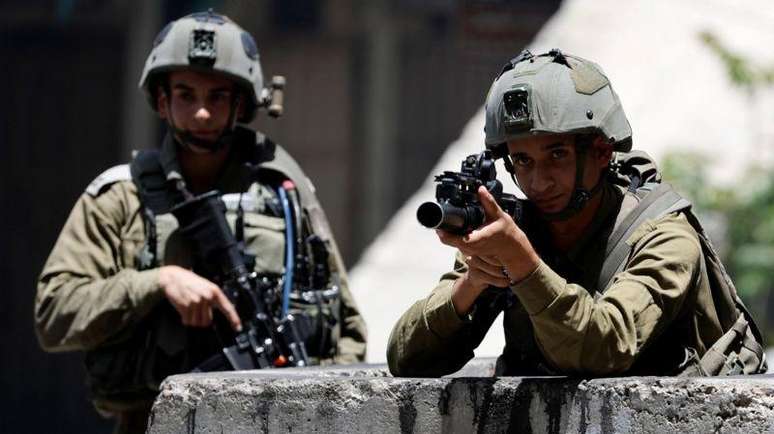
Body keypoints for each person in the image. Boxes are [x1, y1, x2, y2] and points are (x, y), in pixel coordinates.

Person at [35, 11, 366, 433]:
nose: (203, 114)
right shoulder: (120, 197)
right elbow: (54, 313)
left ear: (241, 104)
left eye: (218, 97)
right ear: (161, 101)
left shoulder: (283, 193)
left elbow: (346, 327)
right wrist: (158, 283)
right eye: (186, 95)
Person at [387, 49, 765, 378]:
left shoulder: (665, 237)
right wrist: (471, 285)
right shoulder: (513, 232)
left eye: (557, 155)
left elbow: (603, 349)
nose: (538, 182)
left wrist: (523, 266)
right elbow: (406, 358)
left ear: (601, 152)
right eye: (523, 160)